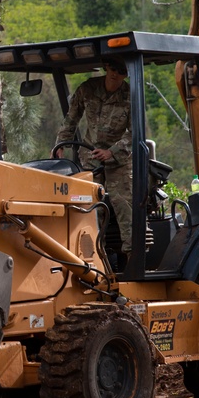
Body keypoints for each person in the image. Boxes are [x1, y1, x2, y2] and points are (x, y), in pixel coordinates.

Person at [54, 59, 132, 260]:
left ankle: (133, 255)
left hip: (119, 161)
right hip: (90, 157)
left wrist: (112, 151)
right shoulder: (87, 89)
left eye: (121, 71)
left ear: (126, 74)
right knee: (89, 205)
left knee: (123, 203)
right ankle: (96, 255)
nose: (116, 73)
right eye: (113, 68)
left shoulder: (131, 95)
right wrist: (60, 145)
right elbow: (71, 119)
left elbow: (135, 133)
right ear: (107, 67)